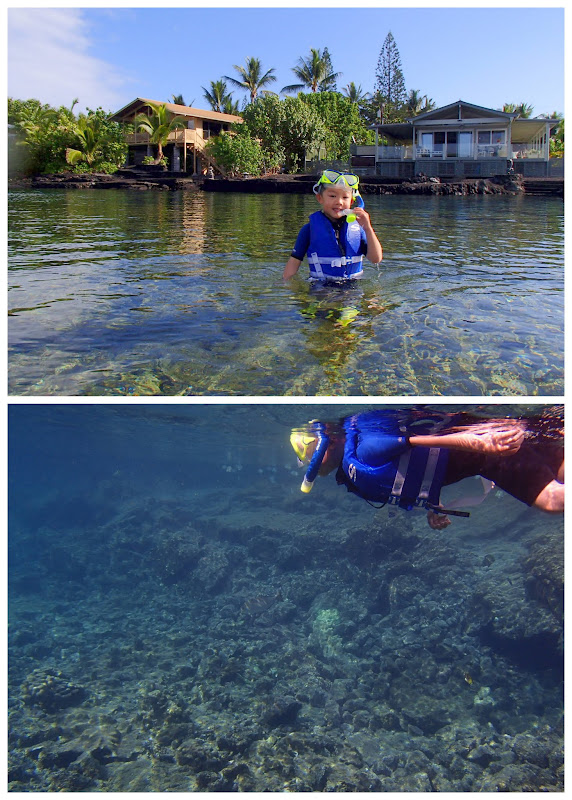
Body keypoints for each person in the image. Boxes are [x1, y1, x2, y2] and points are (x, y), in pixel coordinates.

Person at [290, 409, 564, 529]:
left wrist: (479, 442)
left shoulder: (364, 449)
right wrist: (433, 506)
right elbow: (408, 474)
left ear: (332, 439)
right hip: (484, 458)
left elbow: (417, 440)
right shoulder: (353, 475)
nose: (309, 459)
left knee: (552, 500)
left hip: (488, 455)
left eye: (310, 450)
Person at [283, 170, 383, 281]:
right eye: (332, 196)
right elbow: (294, 262)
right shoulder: (309, 230)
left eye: (345, 197)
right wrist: (285, 285)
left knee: (373, 298)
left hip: (353, 288)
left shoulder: (358, 229)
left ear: (352, 201)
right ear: (320, 198)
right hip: (321, 287)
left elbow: (376, 259)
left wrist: (368, 227)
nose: (339, 202)